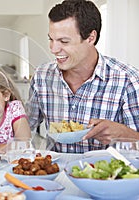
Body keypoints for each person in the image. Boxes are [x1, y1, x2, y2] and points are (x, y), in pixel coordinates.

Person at [28, 0, 139, 153]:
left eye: (64, 41)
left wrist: (125, 134)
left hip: (106, 175)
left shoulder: (127, 80)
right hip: (53, 172)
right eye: (51, 39)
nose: (53, 49)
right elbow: (25, 128)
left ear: (90, 38)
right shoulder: (42, 76)